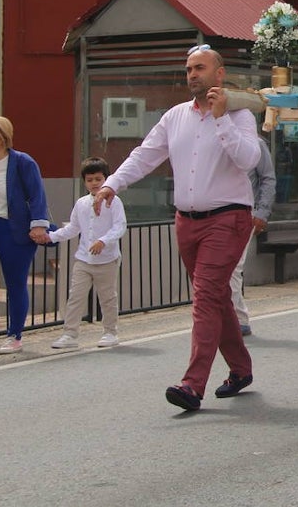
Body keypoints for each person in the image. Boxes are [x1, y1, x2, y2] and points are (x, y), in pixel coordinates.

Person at [97, 47, 261, 410]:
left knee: (204, 297)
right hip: (187, 221)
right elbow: (145, 155)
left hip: (228, 217)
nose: (192, 75)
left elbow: (249, 159)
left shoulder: (240, 114)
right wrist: (112, 184)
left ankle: (192, 385)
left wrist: (220, 119)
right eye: (188, 69)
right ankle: (241, 369)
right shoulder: (175, 116)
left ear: (219, 74)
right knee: (215, 297)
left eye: (200, 68)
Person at [0, 117, 50, 354]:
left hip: (13, 230)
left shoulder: (22, 162)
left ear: (5, 135)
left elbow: (37, 194)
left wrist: (39, 224)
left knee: (15, 284)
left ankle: (14, 335)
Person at [47, 158, 127, 349]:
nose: (94, 183)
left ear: (106, 179)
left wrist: (103, 241)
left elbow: (120, 226)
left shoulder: (114, 201)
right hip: (83, 258)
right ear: (84, 182)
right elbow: (73, 228)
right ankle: (70, 334)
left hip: (107, 259)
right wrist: (51, 237)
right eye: (90, 179)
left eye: (98, 179)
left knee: (107, 297)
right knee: (75, 296)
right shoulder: (81, 203)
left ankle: (110, 331)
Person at [231, 137, 275, 336]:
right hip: (216, 213)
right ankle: (235, 317)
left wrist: (261, 212)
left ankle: (237, 320)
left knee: (234, 267)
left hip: (245, 213)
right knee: (224, 269)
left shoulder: (255, 143)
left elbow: (267, 178)